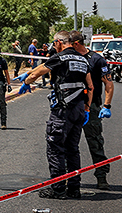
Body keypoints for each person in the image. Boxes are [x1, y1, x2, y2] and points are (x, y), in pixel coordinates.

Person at [17, 31, 93, 199]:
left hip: (62, 111)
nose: (53, 46)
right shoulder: (83, 59)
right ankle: (74, 188)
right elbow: (91, 86)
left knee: (55, 149)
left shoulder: (60, 57)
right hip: (79, 109)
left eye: (54, 43)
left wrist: (26, 81)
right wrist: (86, 108)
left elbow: (37, 73)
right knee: (72, 150)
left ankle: (58, 189)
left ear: (59, 42)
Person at [70, 30, 114, 190]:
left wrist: (107, 106)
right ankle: (71, 178)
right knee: (69, 144)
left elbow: (108, 83)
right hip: (71, 107)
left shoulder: (96, 59)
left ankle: (101, 176)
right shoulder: (69, 57)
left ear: (76, 43)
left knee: (95, 142)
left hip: (92, 108)